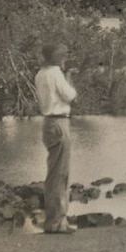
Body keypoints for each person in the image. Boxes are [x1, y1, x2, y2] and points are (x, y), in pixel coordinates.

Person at [34, 43, 78, 234]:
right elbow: (70, 96)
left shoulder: (40, 74)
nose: (64, 58)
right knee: (60, 174)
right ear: (54, 57)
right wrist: (69, 77)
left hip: (48, 123)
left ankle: (54, 220)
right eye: (61, 55)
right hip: (59, 123)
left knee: (54, 172)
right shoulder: (55, 73)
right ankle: (57, 222)